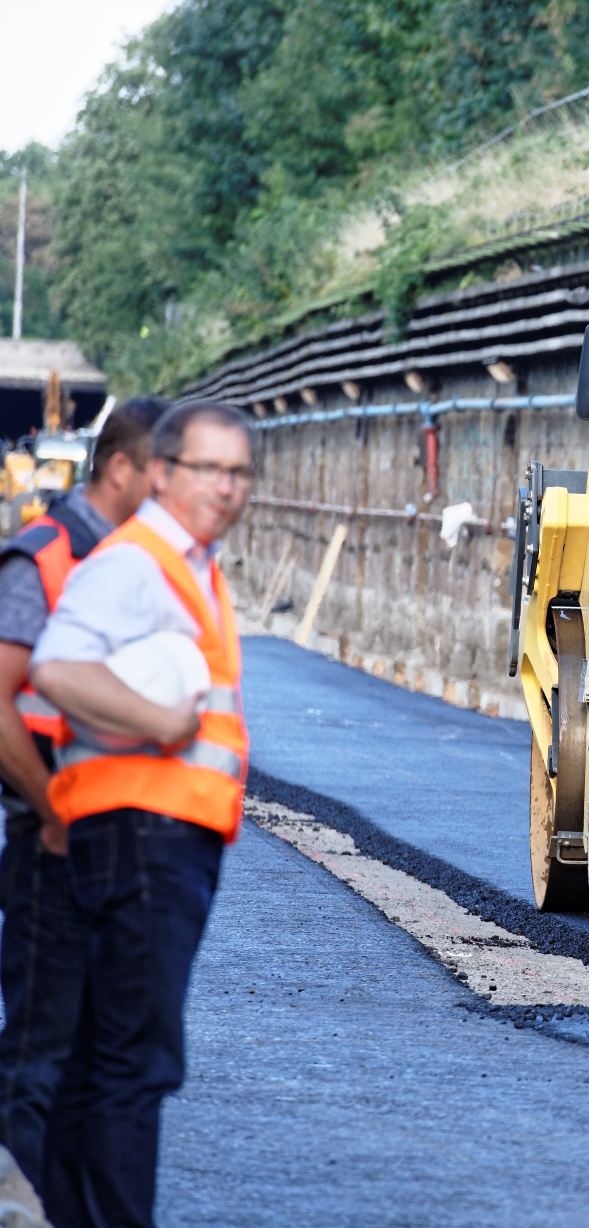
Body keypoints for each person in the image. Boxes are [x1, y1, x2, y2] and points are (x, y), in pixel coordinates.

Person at [28, 400, 254, 1228]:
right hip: (145, 829)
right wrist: (159, 722)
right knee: (135, 1062)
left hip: (154, 830)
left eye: (238, 473)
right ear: (161, 471)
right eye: (207, 469)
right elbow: (56, 667)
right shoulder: (140, 562)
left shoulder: (193, 564)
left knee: (99, 1058)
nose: (224, 488)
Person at [0, 398, 164, 1195]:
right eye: (164, 476)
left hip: (130, 847)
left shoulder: (144, 566)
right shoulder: (48, 555)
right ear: (125, 468)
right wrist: (57, 812)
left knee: (109, 1063)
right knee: (39, 1061)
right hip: (54, 842)